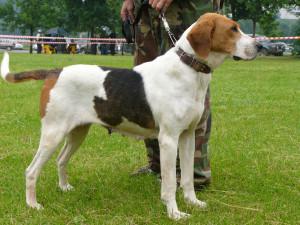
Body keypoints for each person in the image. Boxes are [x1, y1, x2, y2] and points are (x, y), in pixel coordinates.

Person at [121, 0, 221, 189]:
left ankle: (193, 173)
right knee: (148, 84)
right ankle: (158, 164)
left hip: (186, 7)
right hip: (146, 8)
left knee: (188, 82)